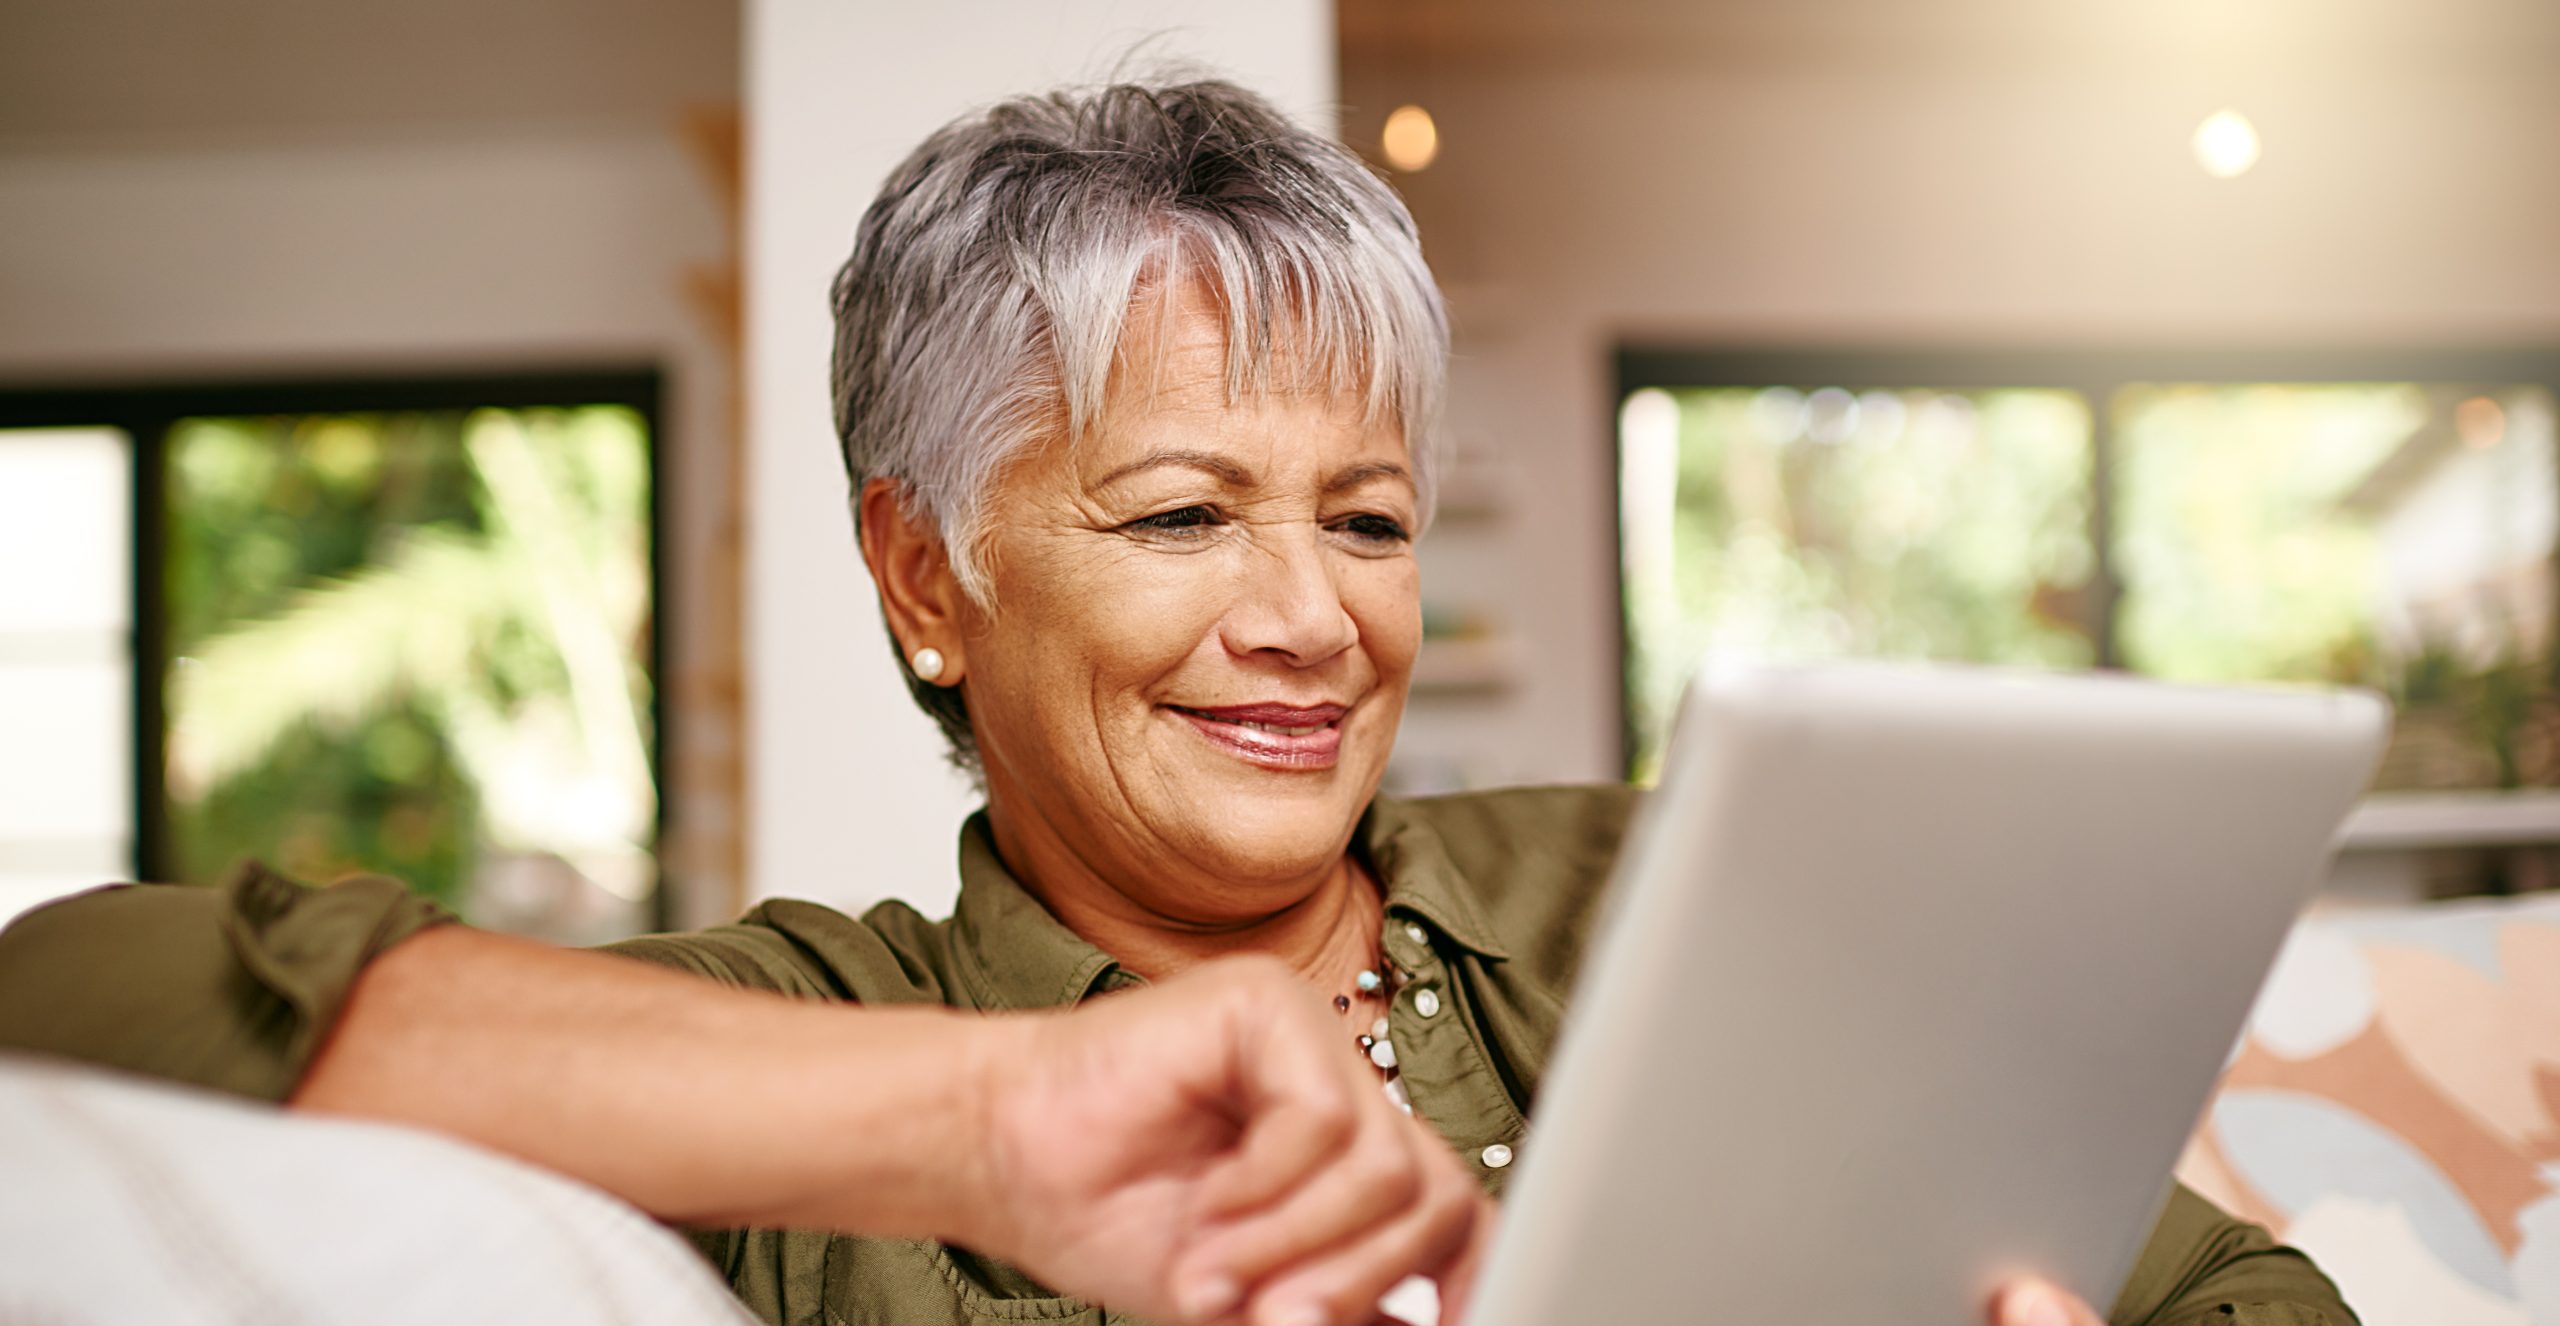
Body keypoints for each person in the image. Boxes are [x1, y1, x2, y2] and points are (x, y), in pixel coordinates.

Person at [0, 78, 2355, 1326]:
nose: (1310, 623)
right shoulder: (824, 1041)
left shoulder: (1644, 885)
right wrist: (997, 1116)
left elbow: (2237, 1295)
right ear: (924, 573)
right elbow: (78, 1018)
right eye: (1173, 517)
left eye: (1364, 515)